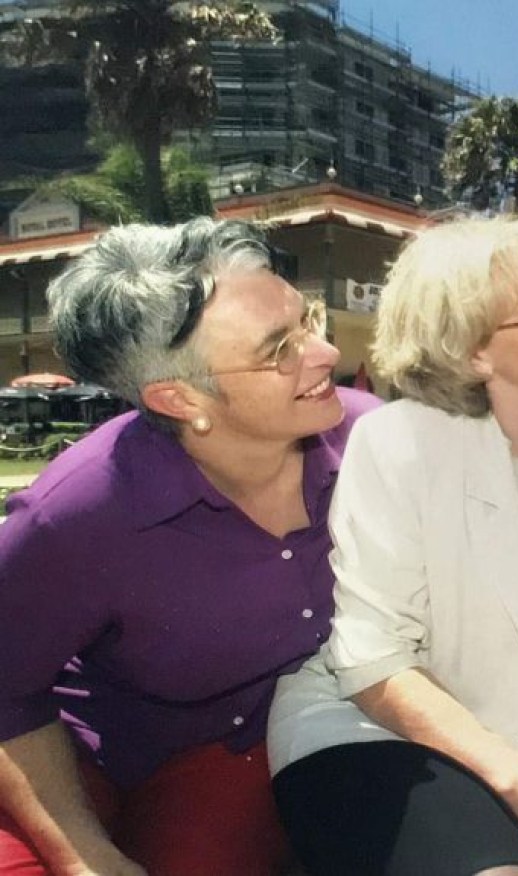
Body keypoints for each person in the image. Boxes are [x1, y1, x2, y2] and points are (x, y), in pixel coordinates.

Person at [0, 217, 380, 875]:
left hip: (238, 757)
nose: (322, 355)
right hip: (66, 755)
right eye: (278, 348)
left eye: (307, 320)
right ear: (179, 398)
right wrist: (84, 857)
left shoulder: (378, 444)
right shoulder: (79, 512)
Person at [266, 215, 518, 876]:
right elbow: (374, 659)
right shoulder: (400, 443)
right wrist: (514, 778)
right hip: (377, 729)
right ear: (471, 351)